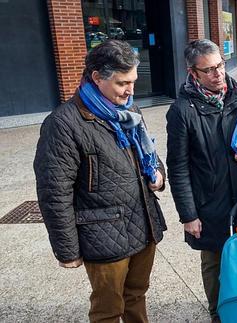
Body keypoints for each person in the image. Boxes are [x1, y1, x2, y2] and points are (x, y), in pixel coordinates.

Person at [34, 39, 167, 322]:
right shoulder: (63, 123)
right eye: (122, 83)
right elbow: (54, 191)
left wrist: (158, 175)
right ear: (97, 78)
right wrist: (67, 249)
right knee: (108, 309)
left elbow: (149, 153)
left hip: (143, 224)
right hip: (103, 235)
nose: (130, 90)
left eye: (132, 81)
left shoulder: (130, 110)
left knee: (137, 295)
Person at [165, 39, 237, 323]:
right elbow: (177, 166)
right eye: (209, 70)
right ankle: (218, 312)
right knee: (214, 259)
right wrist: (188, 215)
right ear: (193, 73)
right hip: (207, 198)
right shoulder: (181, 111)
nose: (218, 74)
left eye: (220, 65)